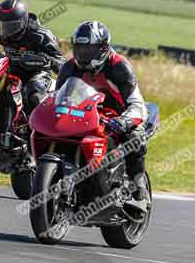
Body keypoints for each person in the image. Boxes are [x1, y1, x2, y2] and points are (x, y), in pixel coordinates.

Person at [56, 21, 151, 209]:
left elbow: (137, 104)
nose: (83, 54)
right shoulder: (70, 67)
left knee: (134, 138)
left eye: (88, 50)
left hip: (119, 116)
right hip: (86, 114)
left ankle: (138, 187)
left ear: (102, 48)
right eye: (80, 48)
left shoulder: (119, 67)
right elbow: (55, 96)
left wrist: (125, 121)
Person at [0, 0, 65, 115]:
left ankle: (35, 130)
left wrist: (48, 60)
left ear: (23, 22)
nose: (4, 31)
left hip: (36, 74)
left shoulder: (41, 35)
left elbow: (62, 62)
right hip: (9, 70)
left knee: (34, 97)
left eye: (10, 26)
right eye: (0, 24)